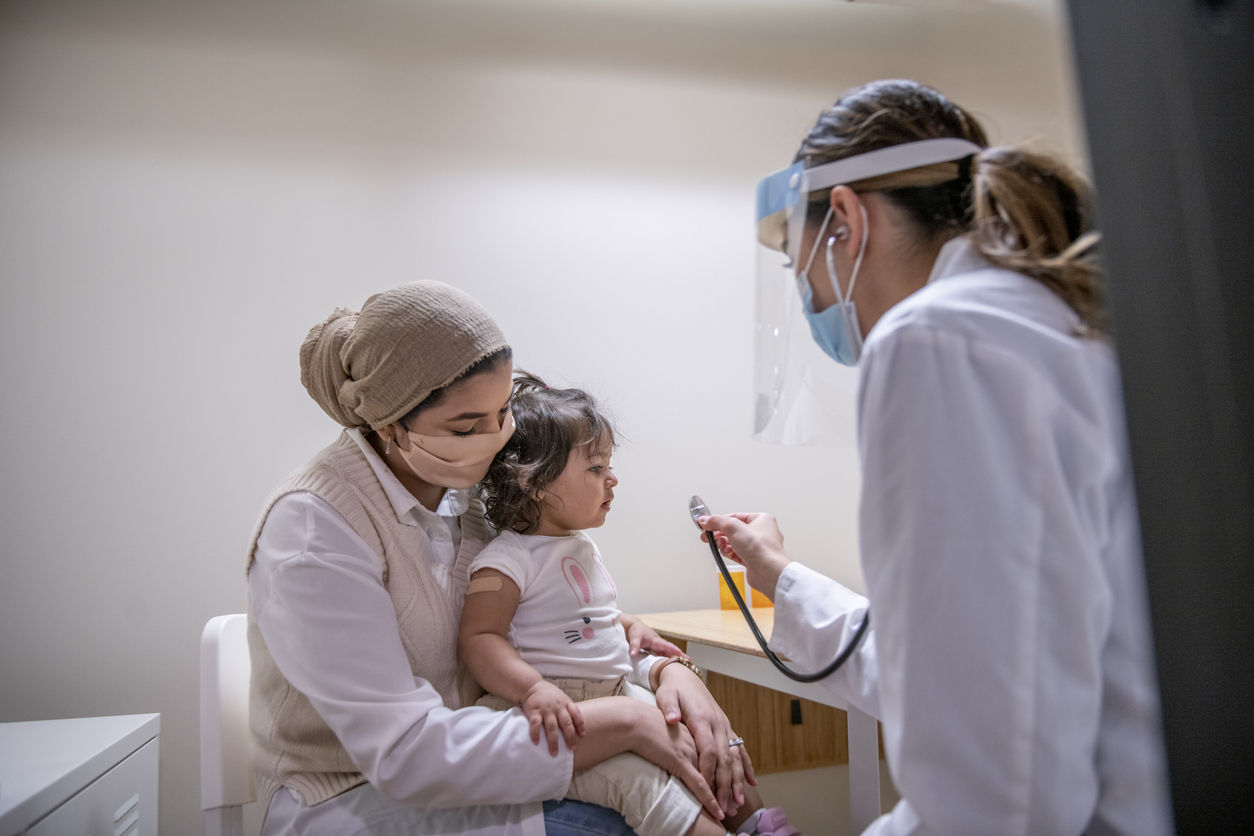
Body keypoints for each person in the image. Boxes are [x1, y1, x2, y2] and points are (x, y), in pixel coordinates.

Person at [697, 80, 1174, 835]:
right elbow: (953, 671)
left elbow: (993, 791)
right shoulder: (1047, 320)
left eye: (800, 271)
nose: (813, 303)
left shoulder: (936, 340)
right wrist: (777, 574)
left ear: (845, 219)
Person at [247, 281, 748, 836]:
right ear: (389, 425)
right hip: (354, 795)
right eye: (466, 427)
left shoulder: (466, 501)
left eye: (503, 412)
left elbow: (554, 624)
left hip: (489, 753)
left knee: (704, 780)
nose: (494, 442)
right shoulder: (314, 530)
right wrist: (627, 720)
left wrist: (668, 670)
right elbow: (406, 756)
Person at [462, 373, 799, 836]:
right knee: (647, 787)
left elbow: (580, 616)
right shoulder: (506, 558)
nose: (612, 478)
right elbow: (479, 637)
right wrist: (531, 689)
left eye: (609, 465)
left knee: (708, 742)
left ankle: (760, 825)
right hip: (561, 713)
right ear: (535, 483)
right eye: (595, 468)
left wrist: (626, 623)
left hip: (614, 691)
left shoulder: (580, 546)